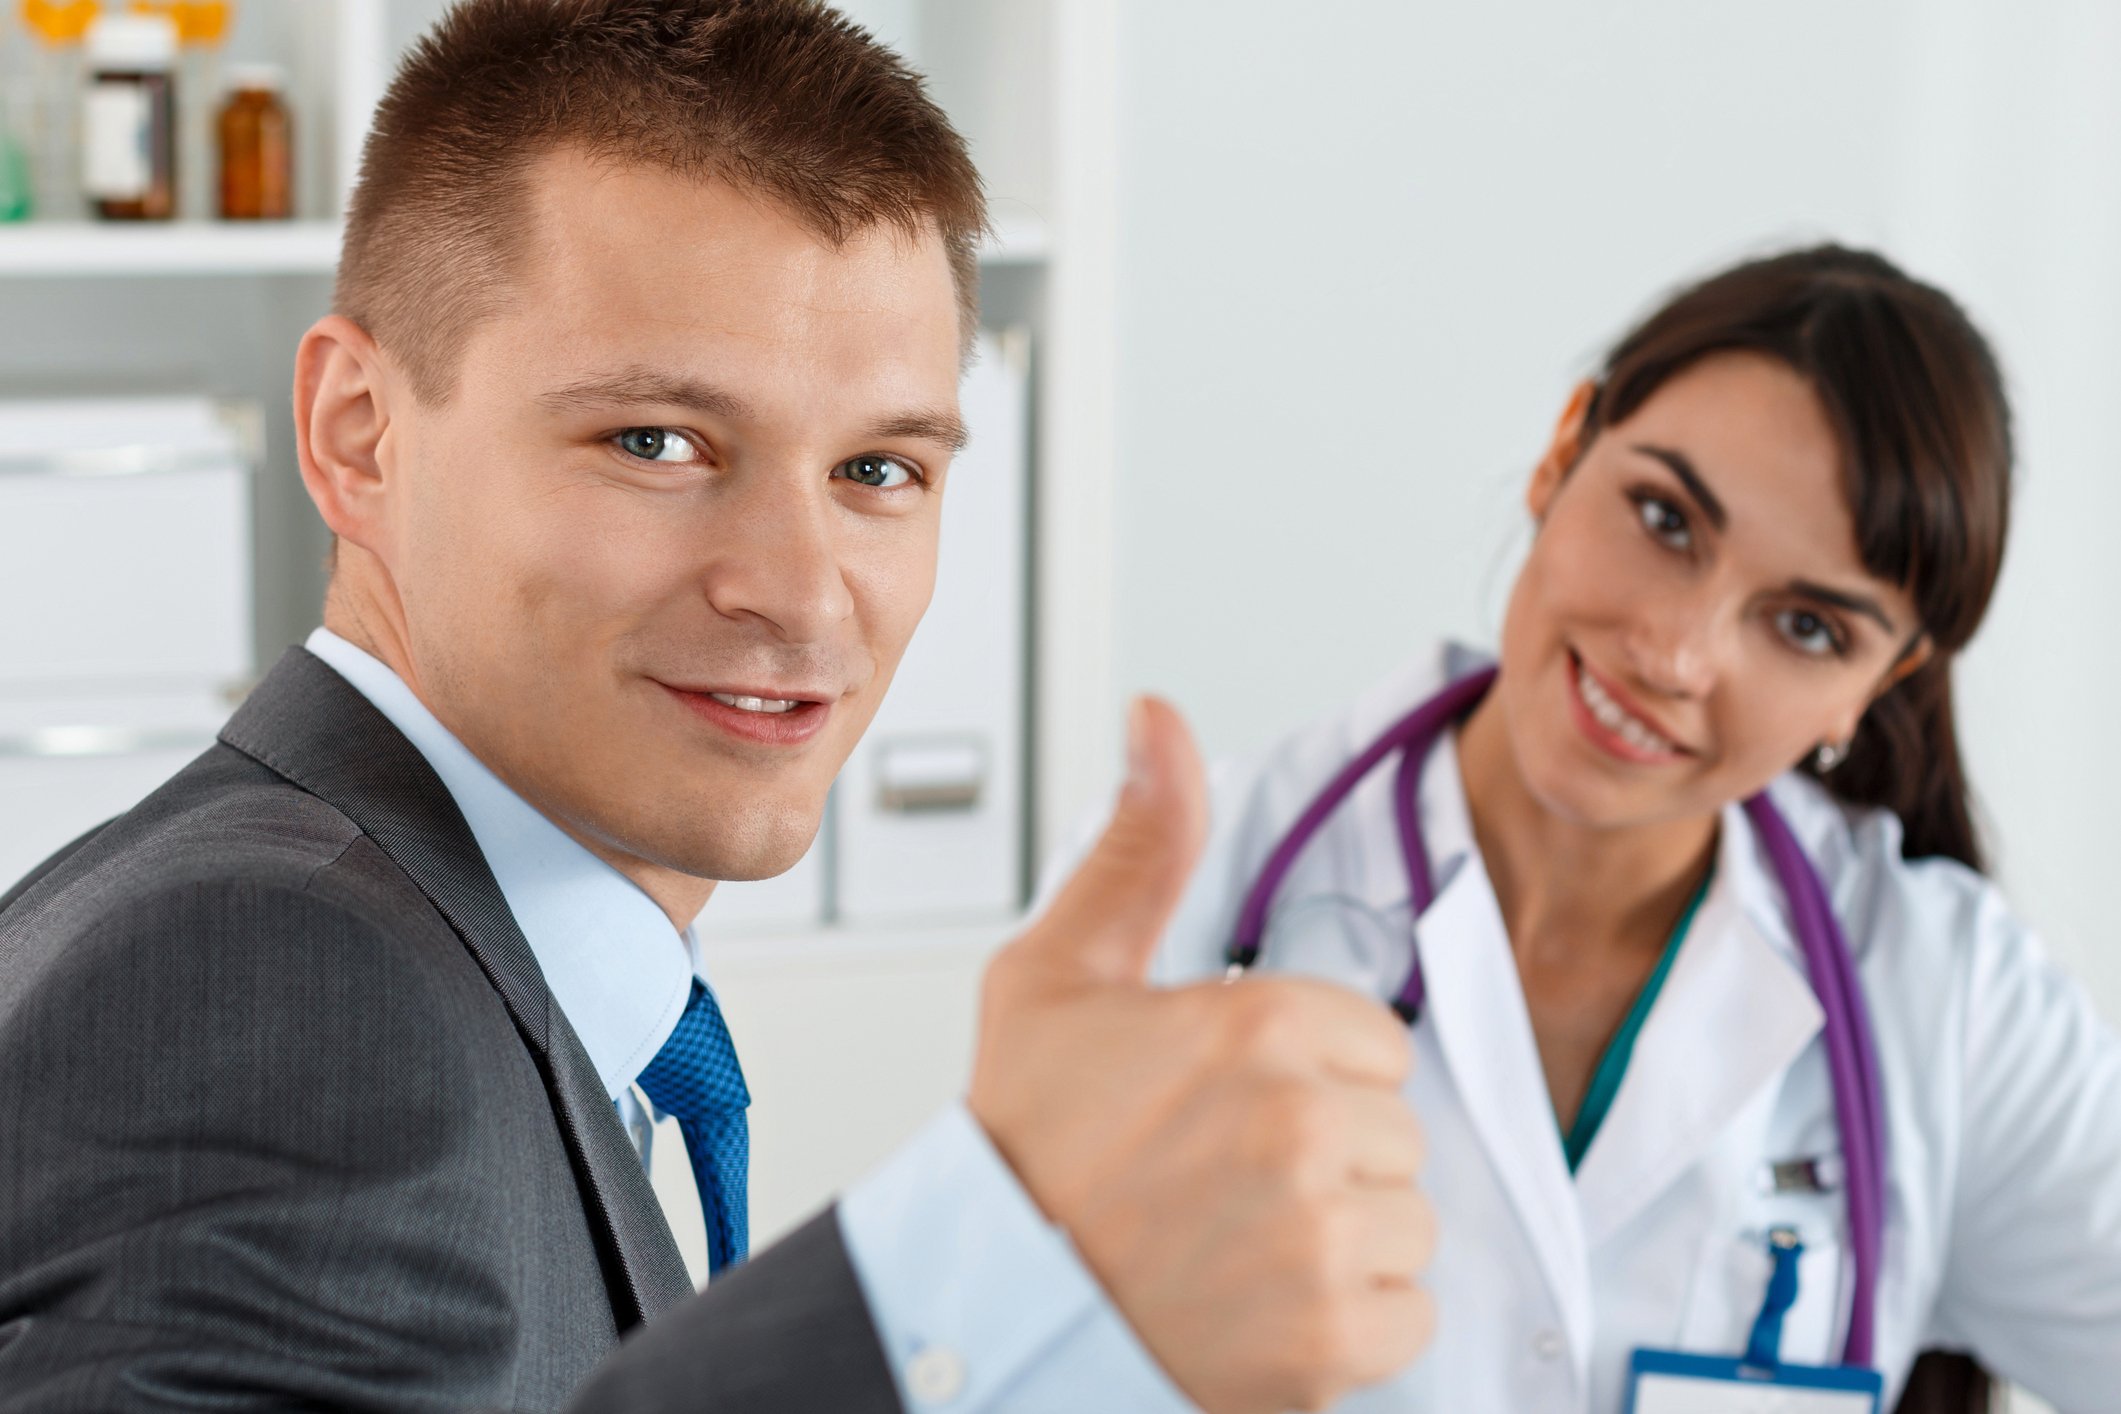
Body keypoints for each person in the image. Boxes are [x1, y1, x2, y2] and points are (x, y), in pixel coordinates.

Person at [0, 3, 1439, 1410]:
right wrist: (985, 1255)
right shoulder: (284, 979)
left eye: (878, 471)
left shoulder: (436, 952)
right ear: (359, 437)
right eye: (658, 441)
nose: (803, 597)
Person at [1126, 246, 2121, 1412]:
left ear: (1877, 684)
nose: (1677, 656)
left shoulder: (1948, 1000)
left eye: (1806, 627)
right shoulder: (1187, 894)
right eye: (1665, 519)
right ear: (1563, 452)